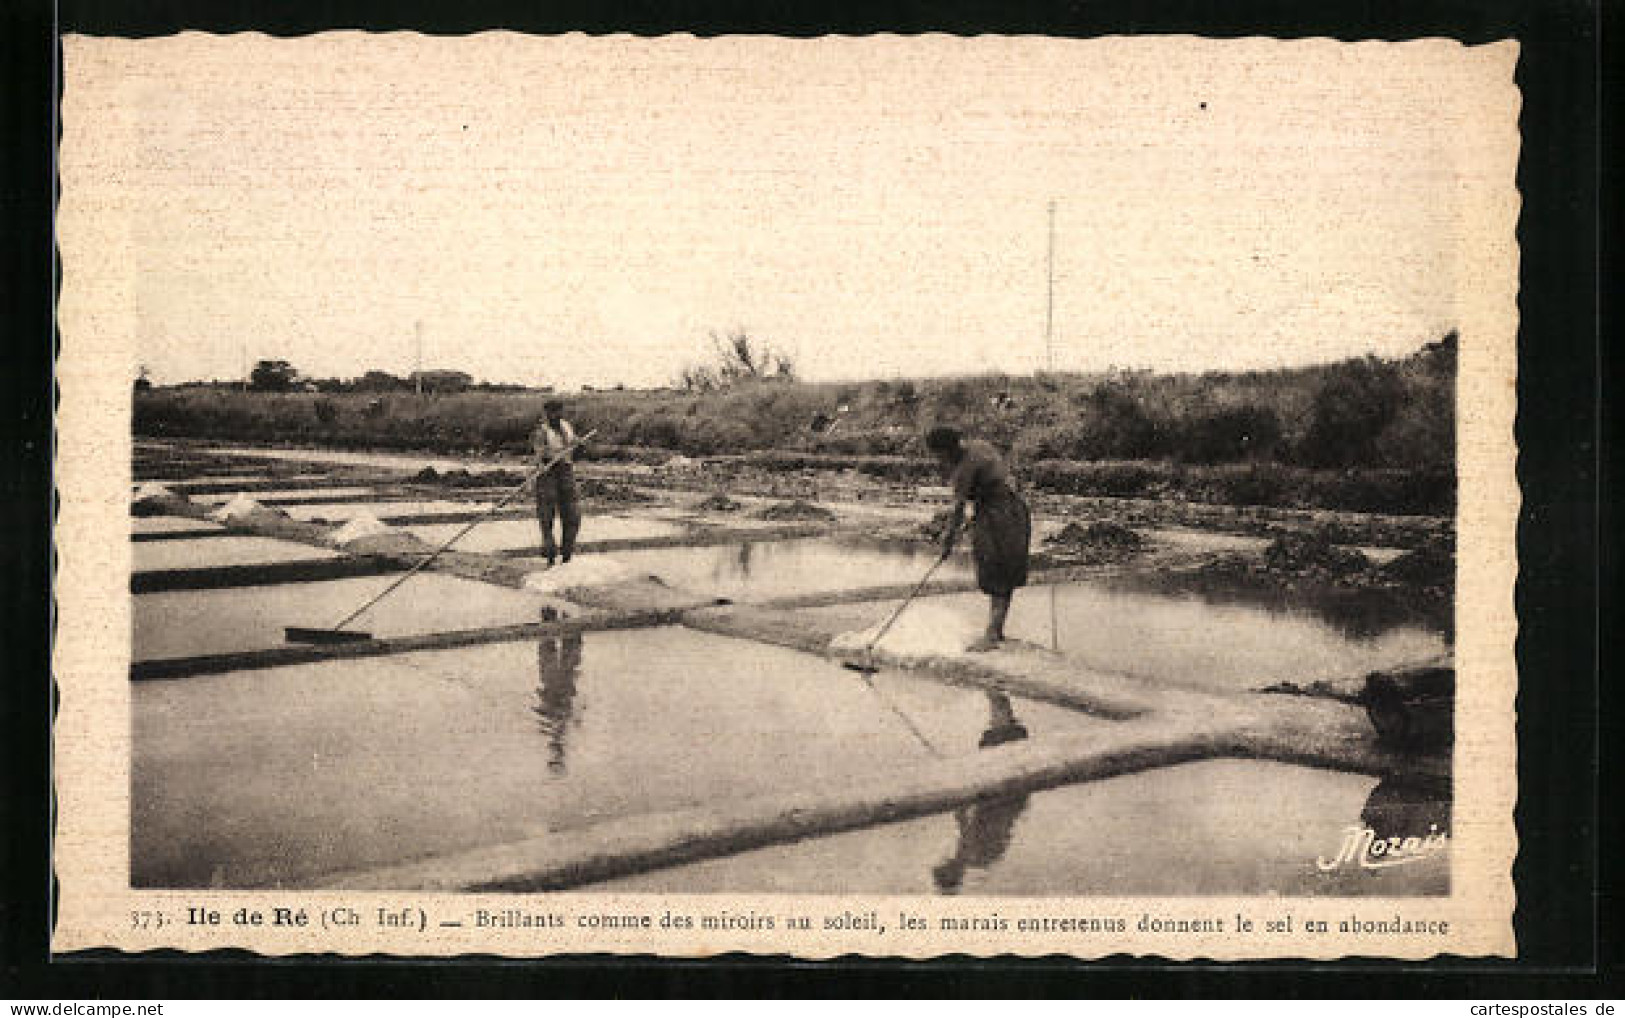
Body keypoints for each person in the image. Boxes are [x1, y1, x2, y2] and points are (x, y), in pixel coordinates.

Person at [925, 425, 1031, 652]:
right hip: (1014, 509)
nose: (938, 460)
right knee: (1004, 570)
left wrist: (948, 541)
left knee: (995, 569)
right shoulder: (979, 447)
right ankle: (996, 630)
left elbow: (958, 509)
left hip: (998, 515)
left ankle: (992, 635)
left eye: (938, 455)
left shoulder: (964, 469)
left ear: (946, 450)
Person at [532, 399, 582, 565]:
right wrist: (542, 465)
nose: (555, 415)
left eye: (558, 411)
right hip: (547, 473)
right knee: (547, 516)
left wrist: (577, 443)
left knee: (573, 515)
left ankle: (567, 555)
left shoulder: (566, 426)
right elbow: (539, 453)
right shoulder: (541, 431)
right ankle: (550, 556)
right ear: (546, 413)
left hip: (566, 471)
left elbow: (573, 442)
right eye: (551, 412)